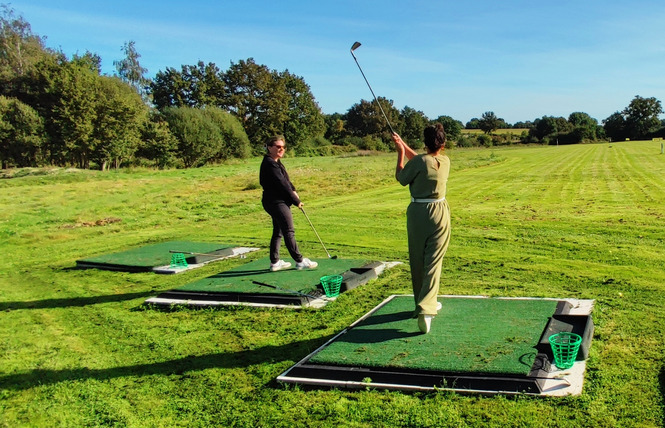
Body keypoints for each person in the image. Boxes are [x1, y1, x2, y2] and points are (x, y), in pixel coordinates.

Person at [392, 124, 451, 334]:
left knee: (418, 259)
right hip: (440, 212)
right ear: (443, 144)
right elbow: (422, 161)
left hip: (418, 213)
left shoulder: (418, 161)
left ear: (425, 142)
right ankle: (427, 307)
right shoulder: (444, 161)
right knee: (433, 261)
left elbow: (401, 177)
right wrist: (403, 144)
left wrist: (400, 153)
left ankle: (424, 305)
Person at [260, 135, 318, 271]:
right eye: (278, 147)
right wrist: (296, 200)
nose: (281, 149)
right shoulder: (270, 163)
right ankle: (300, 260)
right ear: (269, 148)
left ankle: (275, 262)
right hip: (275, 202)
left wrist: (294, 190)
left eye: (283, 147)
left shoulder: (276, 162)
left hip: (276, 201)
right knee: (288, 230)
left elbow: (286, 181)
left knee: (278, 230)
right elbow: (281, 184)